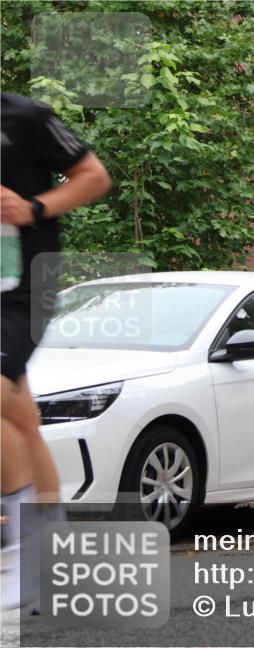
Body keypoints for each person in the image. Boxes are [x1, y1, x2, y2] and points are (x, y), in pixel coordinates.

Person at [1, 92, 111, 608]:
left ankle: (20, 554)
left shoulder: (25, 117)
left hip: (24, 285)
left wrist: (34, 207)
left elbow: (95, 176)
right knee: (20, 421)